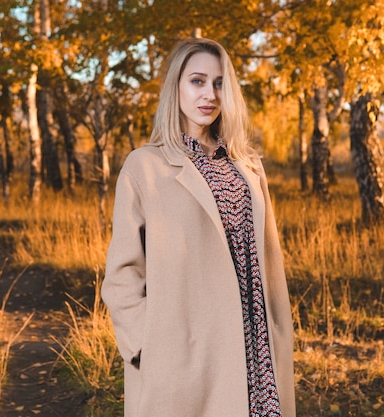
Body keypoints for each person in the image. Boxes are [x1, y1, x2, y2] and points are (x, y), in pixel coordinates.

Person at [101, 37, 295, 417]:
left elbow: (268, 263)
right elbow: (122, 273)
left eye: (219, 83)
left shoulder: (248, 165)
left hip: (255, 351)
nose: (209, 94)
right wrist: (145, 345)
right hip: (183, 356)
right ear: (176, 87)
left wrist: (278, 331)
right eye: (197, 81)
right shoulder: (145, 167)